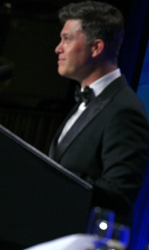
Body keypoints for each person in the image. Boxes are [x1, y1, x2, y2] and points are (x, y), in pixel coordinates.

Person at [48, 1, 149, 224]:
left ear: (96, 48)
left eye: (67, 39)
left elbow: (119, 194)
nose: (58, 48)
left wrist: (48, 180)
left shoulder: (124, 110)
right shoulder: (87, 101)